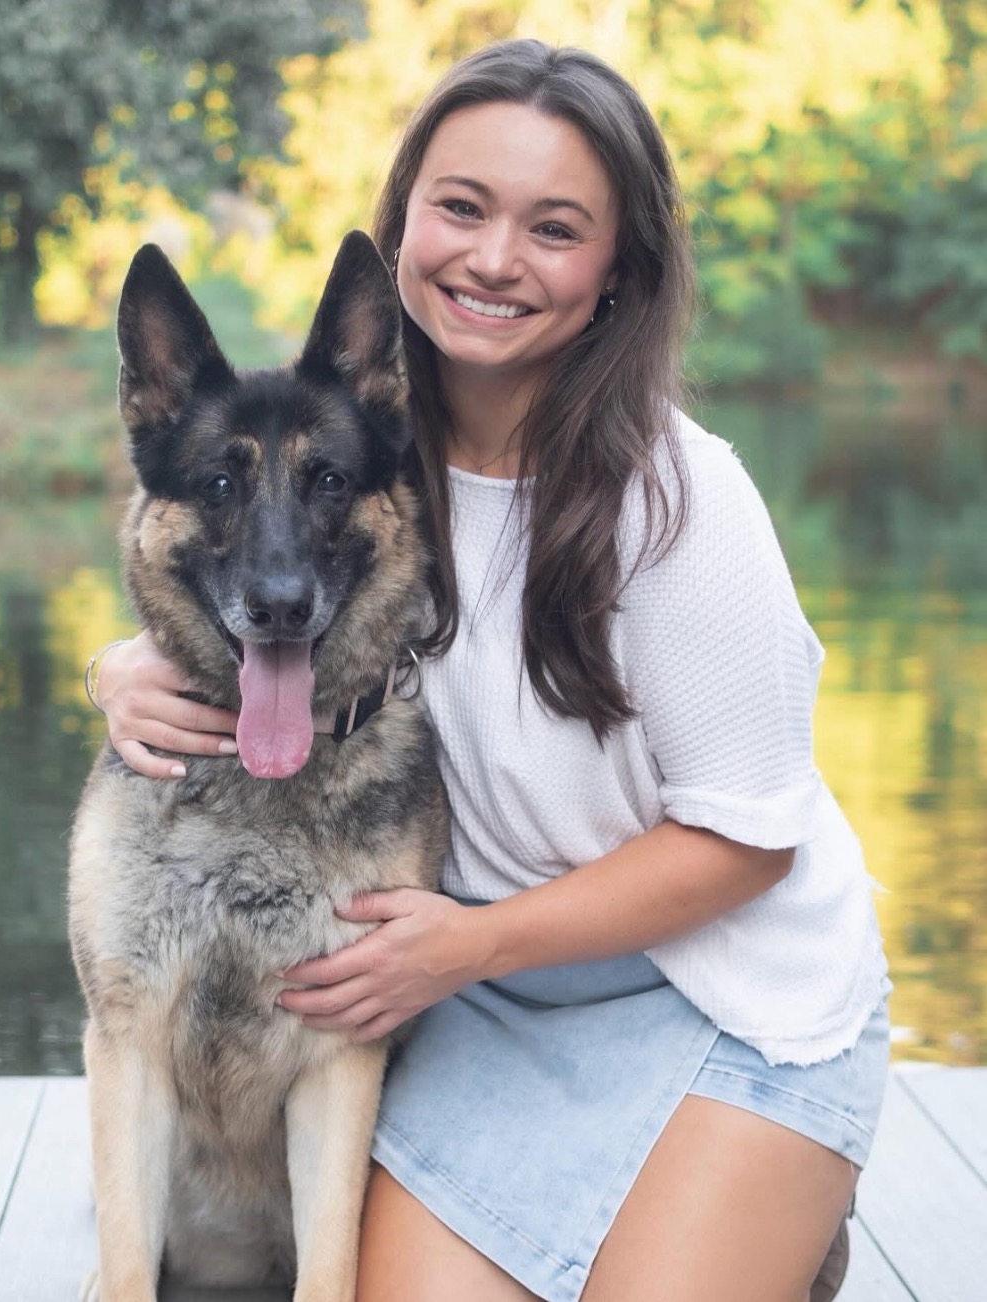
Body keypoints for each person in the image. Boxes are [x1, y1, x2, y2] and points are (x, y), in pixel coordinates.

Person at [90, 39, 890, 1302]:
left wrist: (470, 943)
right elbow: (249, 566)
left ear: (618, 268)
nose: (495, 258)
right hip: (489, 1011)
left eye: (554, 228)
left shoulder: (682, 500)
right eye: (461, 207)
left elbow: (749, 844)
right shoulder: (368, 457)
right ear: (403, 218)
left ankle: (767, 1204)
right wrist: (122, 665)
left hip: (723, 997)